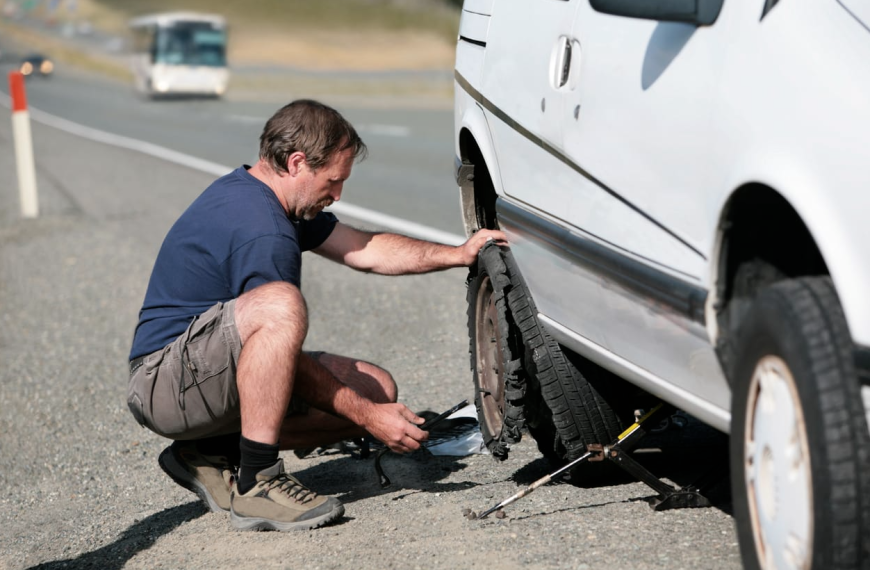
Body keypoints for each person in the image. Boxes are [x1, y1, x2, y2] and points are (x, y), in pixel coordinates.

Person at [126, 99, 506, 532]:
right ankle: (258, 482)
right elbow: (276, 338)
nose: (338, 194)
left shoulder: (271, 197)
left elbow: (366, 249)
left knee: (376, 388)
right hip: (163, 384)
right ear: (297, 162)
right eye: (333, 180)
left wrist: (457, 254)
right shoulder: (261, 227)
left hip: (200, 372)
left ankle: (208, 449)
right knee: (282, 306)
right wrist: (367, 417)